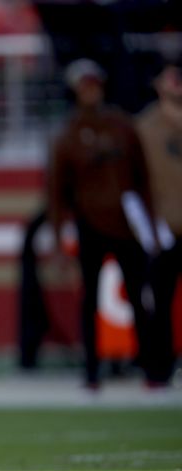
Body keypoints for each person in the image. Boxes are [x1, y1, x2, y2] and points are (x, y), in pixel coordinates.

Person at [48, 58, 157, 390]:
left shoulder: (123, 126)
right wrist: (58, 243)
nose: (90, 91)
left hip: (126, 224)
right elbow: (55, 194)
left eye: (94, 84)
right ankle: (92, 372)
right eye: (84, 85)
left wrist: (150, 225)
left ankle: (152, 369)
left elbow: (143, 179)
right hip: (89, 223)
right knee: (90, 300)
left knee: (140, 297)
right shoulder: (67, 136)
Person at [136, 58, 182, 387]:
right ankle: (158, 371)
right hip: (164, 228)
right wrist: (148, 227)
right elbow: (136, 184)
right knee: (158, 302)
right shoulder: (144, 127)